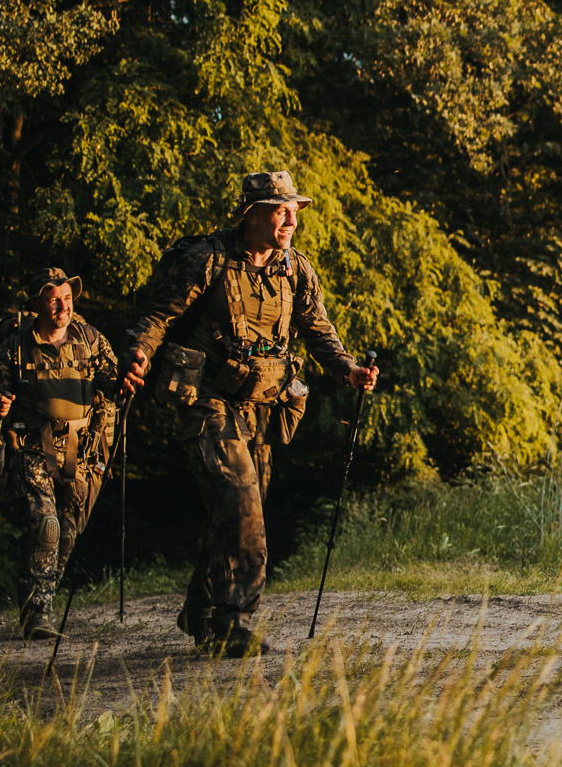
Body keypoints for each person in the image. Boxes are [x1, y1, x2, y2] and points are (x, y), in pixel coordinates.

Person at [120, 171, 378, 657]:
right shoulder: (207, 260)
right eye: (280, 210)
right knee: (243, 508)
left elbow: (320, 331)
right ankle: (231, 625)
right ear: (252, 213)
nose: (290, 219)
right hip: (209, 402)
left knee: (231, 513)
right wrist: (138, 353)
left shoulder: (295, 270)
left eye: (294, 210)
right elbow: (159, 317)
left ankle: (200, 607)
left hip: (263, 409)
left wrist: (347, 369)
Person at [0, 268, 119, 640]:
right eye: (53, 298)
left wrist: (130, 379)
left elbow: (115, 384)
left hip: (81, 451)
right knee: (46, 525)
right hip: (31, 448)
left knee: (67, 533)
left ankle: (40, 598)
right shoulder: (17, 346)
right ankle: (38, 614)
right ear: (37, 303)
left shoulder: (90, 341)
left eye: (67, 297)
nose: (62, 305)